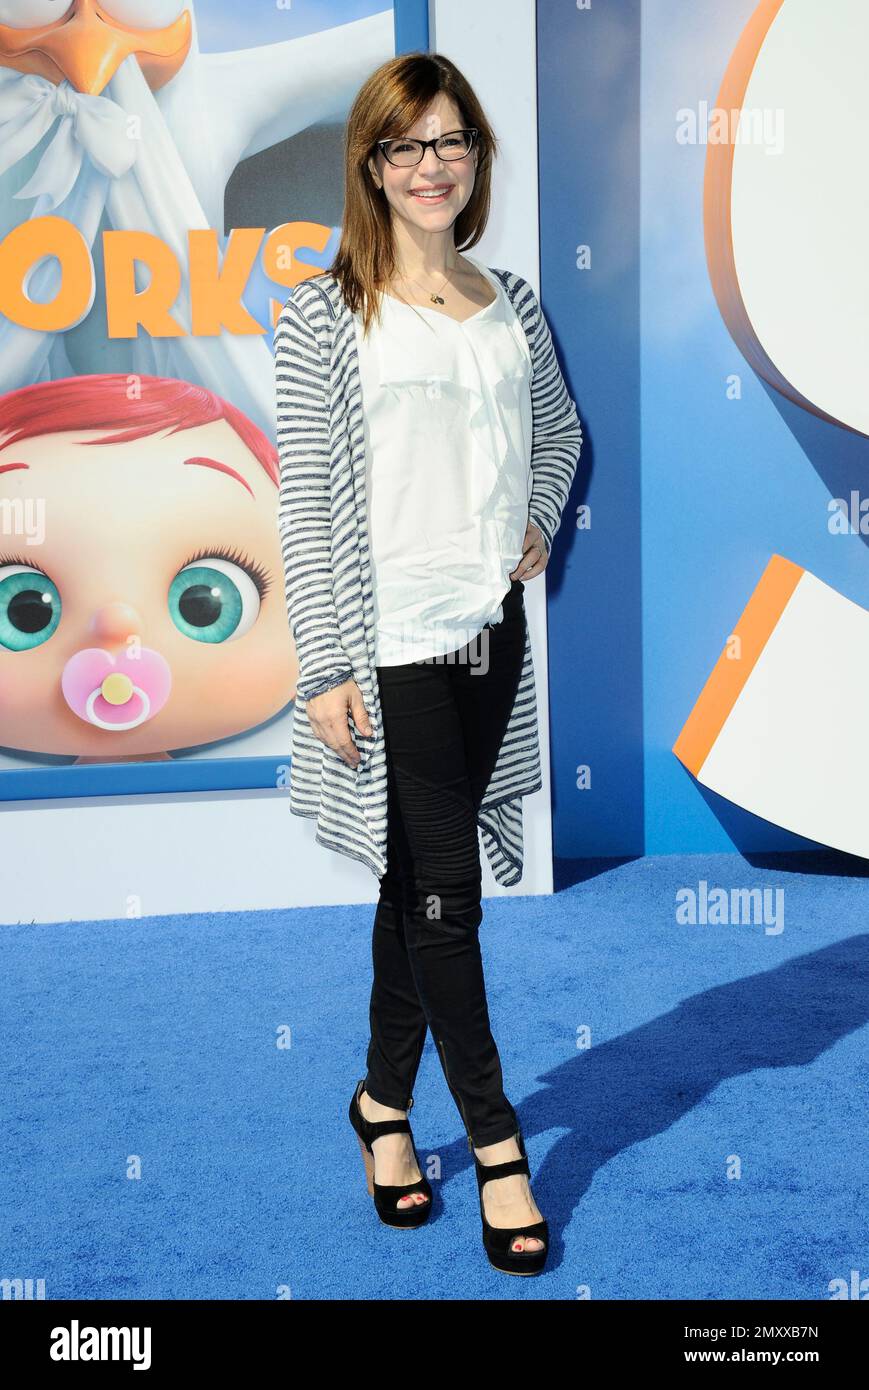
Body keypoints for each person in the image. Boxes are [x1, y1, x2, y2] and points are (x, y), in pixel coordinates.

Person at [274, 52, 582, 1276]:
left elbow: (554, 433)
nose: (431, 165)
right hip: (385, 643)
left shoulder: (507, 297)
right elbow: (304, 503)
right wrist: (322, 665)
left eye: (452, 141)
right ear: (369, 164)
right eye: (405, 146)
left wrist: (538, 520)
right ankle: (500, 1145)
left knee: (414, 888)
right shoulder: (323, 314)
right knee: (450, 900)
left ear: (477, 158)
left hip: (484, 639)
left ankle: (381, 1110)